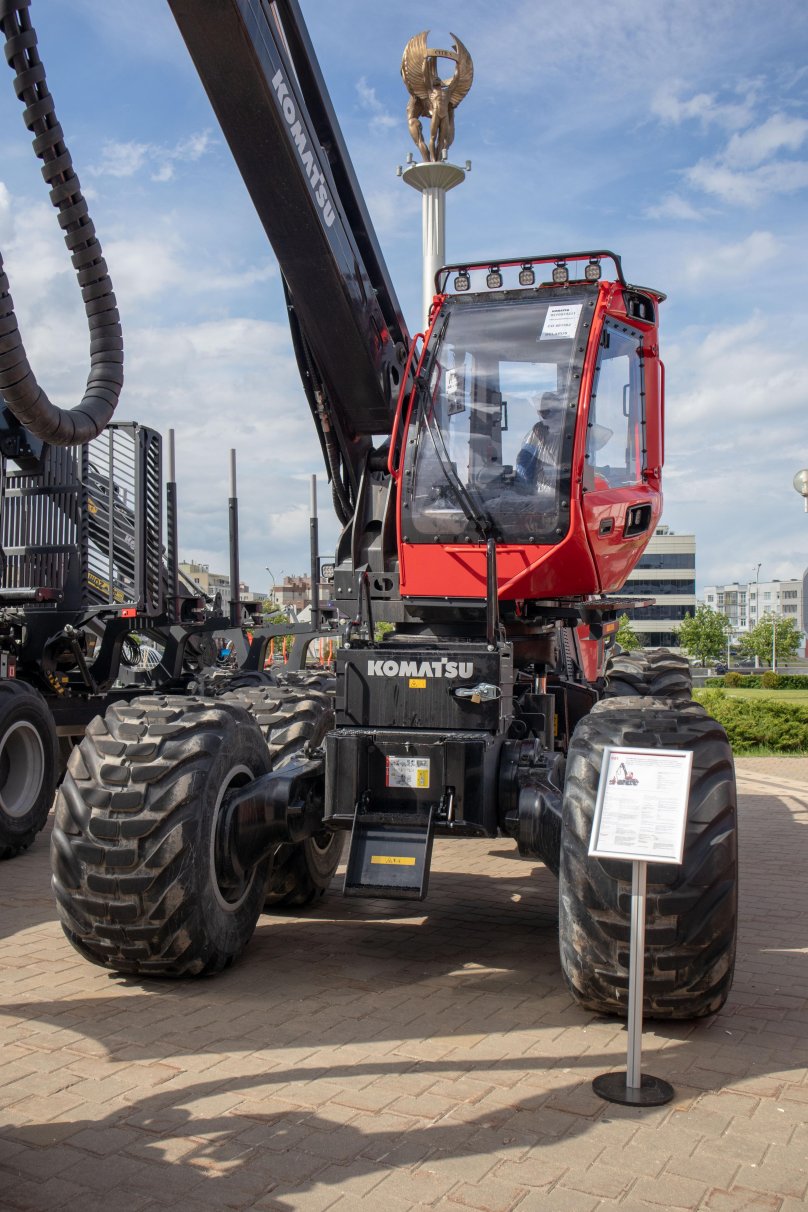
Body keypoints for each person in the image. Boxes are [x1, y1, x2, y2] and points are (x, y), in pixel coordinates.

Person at [515, 391, 565, 491]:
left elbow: (524, 464)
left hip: (546, 494)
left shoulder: (538, 431)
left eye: (545, 413)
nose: (543, 417)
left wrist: (526, 490)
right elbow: (524, 461)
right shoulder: (574, 429)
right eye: (542, 413)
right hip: (565, 491)